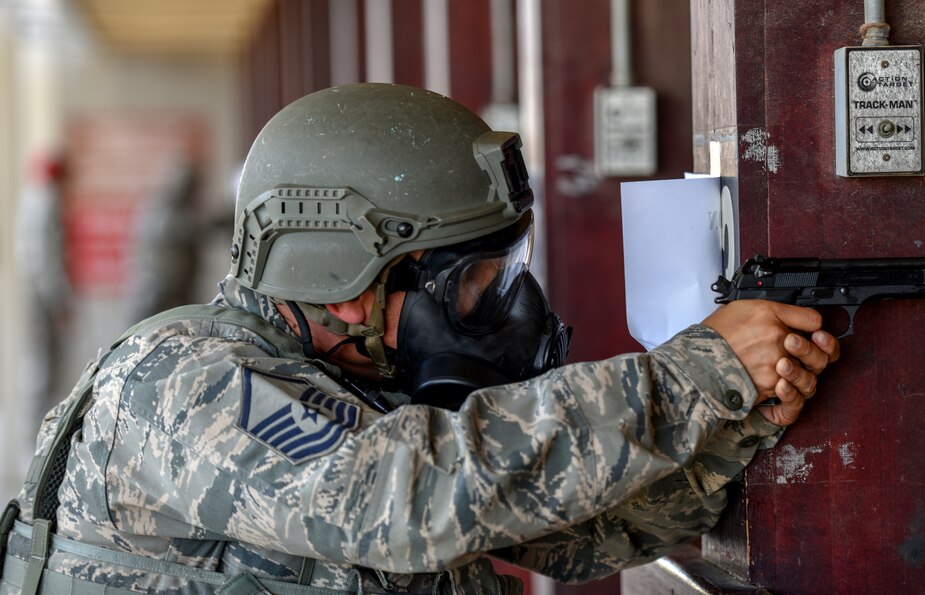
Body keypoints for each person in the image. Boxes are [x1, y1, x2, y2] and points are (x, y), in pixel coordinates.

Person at [1, 83, 839, 595]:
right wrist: (693, 376)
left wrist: (743, 410)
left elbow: (582, 529)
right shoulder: (179, 386)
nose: (505, 307)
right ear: (356, 282)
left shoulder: (351, 380)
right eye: (474, 283)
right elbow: (404, 493)